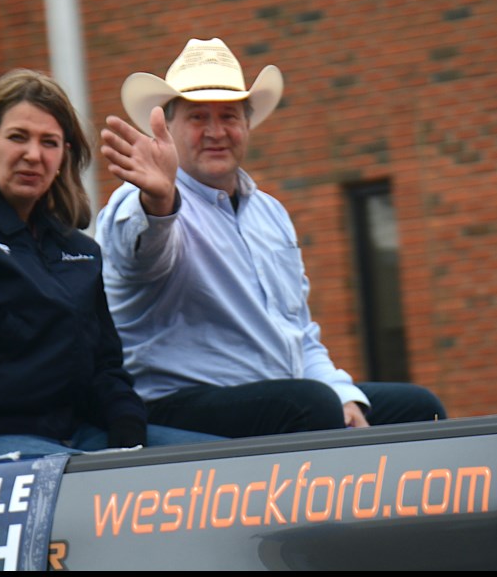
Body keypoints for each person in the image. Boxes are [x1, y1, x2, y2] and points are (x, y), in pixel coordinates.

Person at [0, 68, 220, 463]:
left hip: (69, 438)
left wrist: (127, 435)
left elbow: (103, 366)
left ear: (64, 156)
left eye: (49, 142)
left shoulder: (78, 251)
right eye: (17, 137)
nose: (33, 154)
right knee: (76, 481)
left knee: (216, 465)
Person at [95, 38, 446, 438]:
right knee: (308, 406)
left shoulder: (271, 213)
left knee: (420, 410)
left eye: (229, 116)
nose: (216, 131)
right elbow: (143, 255)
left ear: (247, 126)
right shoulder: (140, 199)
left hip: (283, 396)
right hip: (174, 403)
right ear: (167, 130)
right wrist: (159, 202)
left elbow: (298, 332)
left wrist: (342, 394)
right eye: (197, 118)